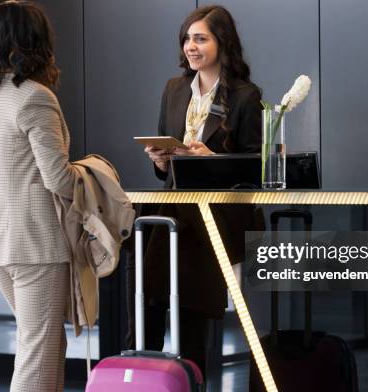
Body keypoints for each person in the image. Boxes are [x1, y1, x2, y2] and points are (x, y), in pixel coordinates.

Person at [131, 5, 262, 375]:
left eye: (201, 38)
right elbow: (166, 170)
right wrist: (160, 161)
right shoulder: (174, 89)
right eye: (187, 38)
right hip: (177, 213)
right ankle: (150, 366)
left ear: (223, 43)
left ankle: (159, 361)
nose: (191, 46)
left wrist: (213, 159)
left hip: (214, 217)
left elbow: (255, 170)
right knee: (155, 239)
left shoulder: (245, 96)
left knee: (156, 270)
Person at [0, 2, 74, 391]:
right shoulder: (34, 97)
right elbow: (59, 178)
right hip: (35, 243)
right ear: (36, 41)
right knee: (37, 351)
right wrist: (95, 171)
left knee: (45, 345)